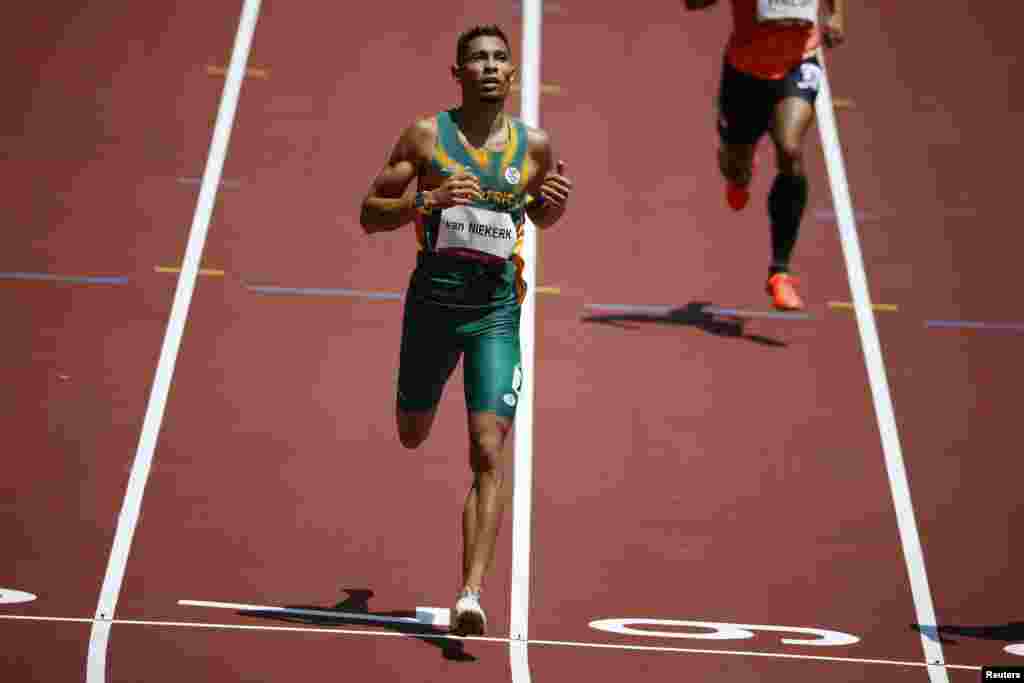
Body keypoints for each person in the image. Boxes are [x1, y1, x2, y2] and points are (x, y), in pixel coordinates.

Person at [358, 24, 572, 637]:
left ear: (512, 74)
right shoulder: (427, 136)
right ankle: (415, 403)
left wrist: (554, 206)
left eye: (500, 58)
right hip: (431, 310)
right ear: (458, 74)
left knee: (487, 449)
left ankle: (470, 594)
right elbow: (370, 214)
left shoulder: (535, 147)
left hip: (495, 315)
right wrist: (426, 203)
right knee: (412, 432)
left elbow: (539, 215)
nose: (490, 66)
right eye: (477, 59)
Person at [683, 0, 847, 310]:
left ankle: (779, 273)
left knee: (790, 149)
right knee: (736, 165)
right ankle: (739, 178)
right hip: (745, 74)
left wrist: (837, 15)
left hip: (799, 63)